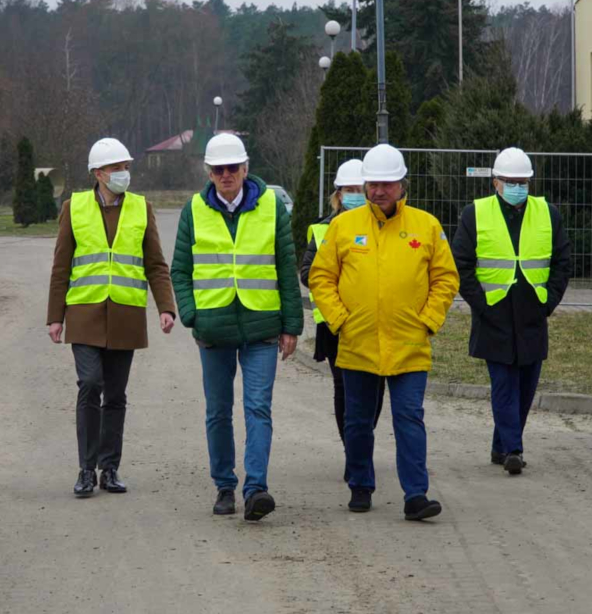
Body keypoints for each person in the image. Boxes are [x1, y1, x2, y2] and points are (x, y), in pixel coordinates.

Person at [308, 144, 458, 521]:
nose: (378, 191)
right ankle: (360, 485)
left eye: (386, 184)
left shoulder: (426, 226)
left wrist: (428, 320)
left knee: (409, 418)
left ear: (402, 185)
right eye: (373, 184)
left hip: (409, 344)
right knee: (358, 420)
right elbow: (320, 278)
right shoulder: (343, 226)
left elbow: (445, 278)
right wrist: (340, 320)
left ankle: (416, 495)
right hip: (357, 343)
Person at [170, 133, 303, 522]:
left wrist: (291, 324)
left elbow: (285, 266)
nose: (226, 175)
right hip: (214, 328)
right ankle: (225, 485)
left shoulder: (271, 207)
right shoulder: (193, 210)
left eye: (233, 168)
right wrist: (192, 313)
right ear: (209, 173)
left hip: (262, 324)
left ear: (246, 169)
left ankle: (256, 488)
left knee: (258, 407)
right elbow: (180, 269)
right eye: (218, 169)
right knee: (218, 411)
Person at [46, 138, 177, 498]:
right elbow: (61, 267)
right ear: (98, 173)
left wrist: (166, 307)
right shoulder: (74, 208)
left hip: (126, 314)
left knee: (116, 394)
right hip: (85, 313)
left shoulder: (141, 208)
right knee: (90, 384)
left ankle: (110, 469)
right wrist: (55, 317)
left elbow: (155, 263)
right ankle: (86, 470)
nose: (124, 173)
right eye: (117, 168)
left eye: (126, 167)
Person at [451, 148, 572, 476]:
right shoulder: (474, 214)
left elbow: (562, 264)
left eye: (524, 182)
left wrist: (548, 303)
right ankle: (513, 450)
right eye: (511, 182)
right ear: (495, 183)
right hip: (494, 314)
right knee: (504, 383)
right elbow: (460, 265)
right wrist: (482, 304)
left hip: (533, 312)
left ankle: (499, 444)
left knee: (525, 386)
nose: (518, 187)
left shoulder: (549, 213)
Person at [299, 159, 383, 481]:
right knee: (343, 388)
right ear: (337, 195)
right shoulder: (322, 229)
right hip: (335, 324)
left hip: (374, 320)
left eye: (357, 190)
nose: (353, 196)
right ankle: (354, 452)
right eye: (347, 190)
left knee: (376, 389)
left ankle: (360, 443)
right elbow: (308, 272)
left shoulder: (380, 225)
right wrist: (338, 293)